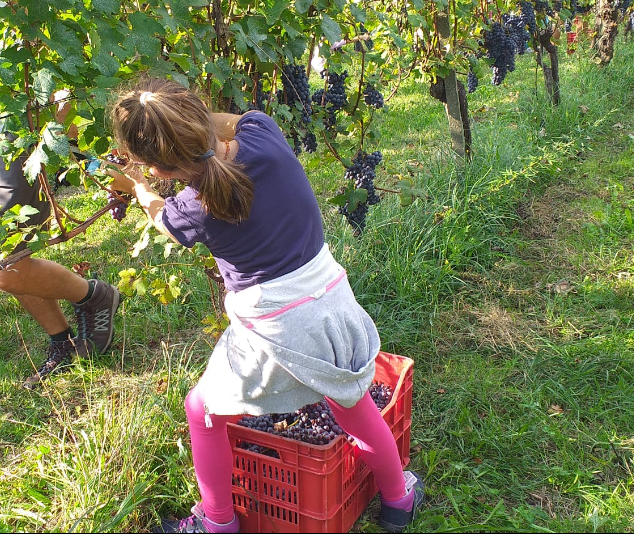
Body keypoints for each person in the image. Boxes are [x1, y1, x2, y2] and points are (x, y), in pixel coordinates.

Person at [106, 77, 425, 534]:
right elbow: (226, 126)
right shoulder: (264, 135)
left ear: (160, 168)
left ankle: (217, 523)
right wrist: (188, 125)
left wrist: (139, 189)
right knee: (351, 406)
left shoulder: (192, 208)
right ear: (200, 117)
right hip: (331, 299)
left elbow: (162, 221)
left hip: (278, 328)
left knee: (203, 411)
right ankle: (400, 497)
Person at [0, 98, 121, 390]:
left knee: (5, 260)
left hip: (11, 128)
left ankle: (93, 295)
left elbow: (57, 81)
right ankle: (63, 342)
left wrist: (59, 130)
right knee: (14, 262)